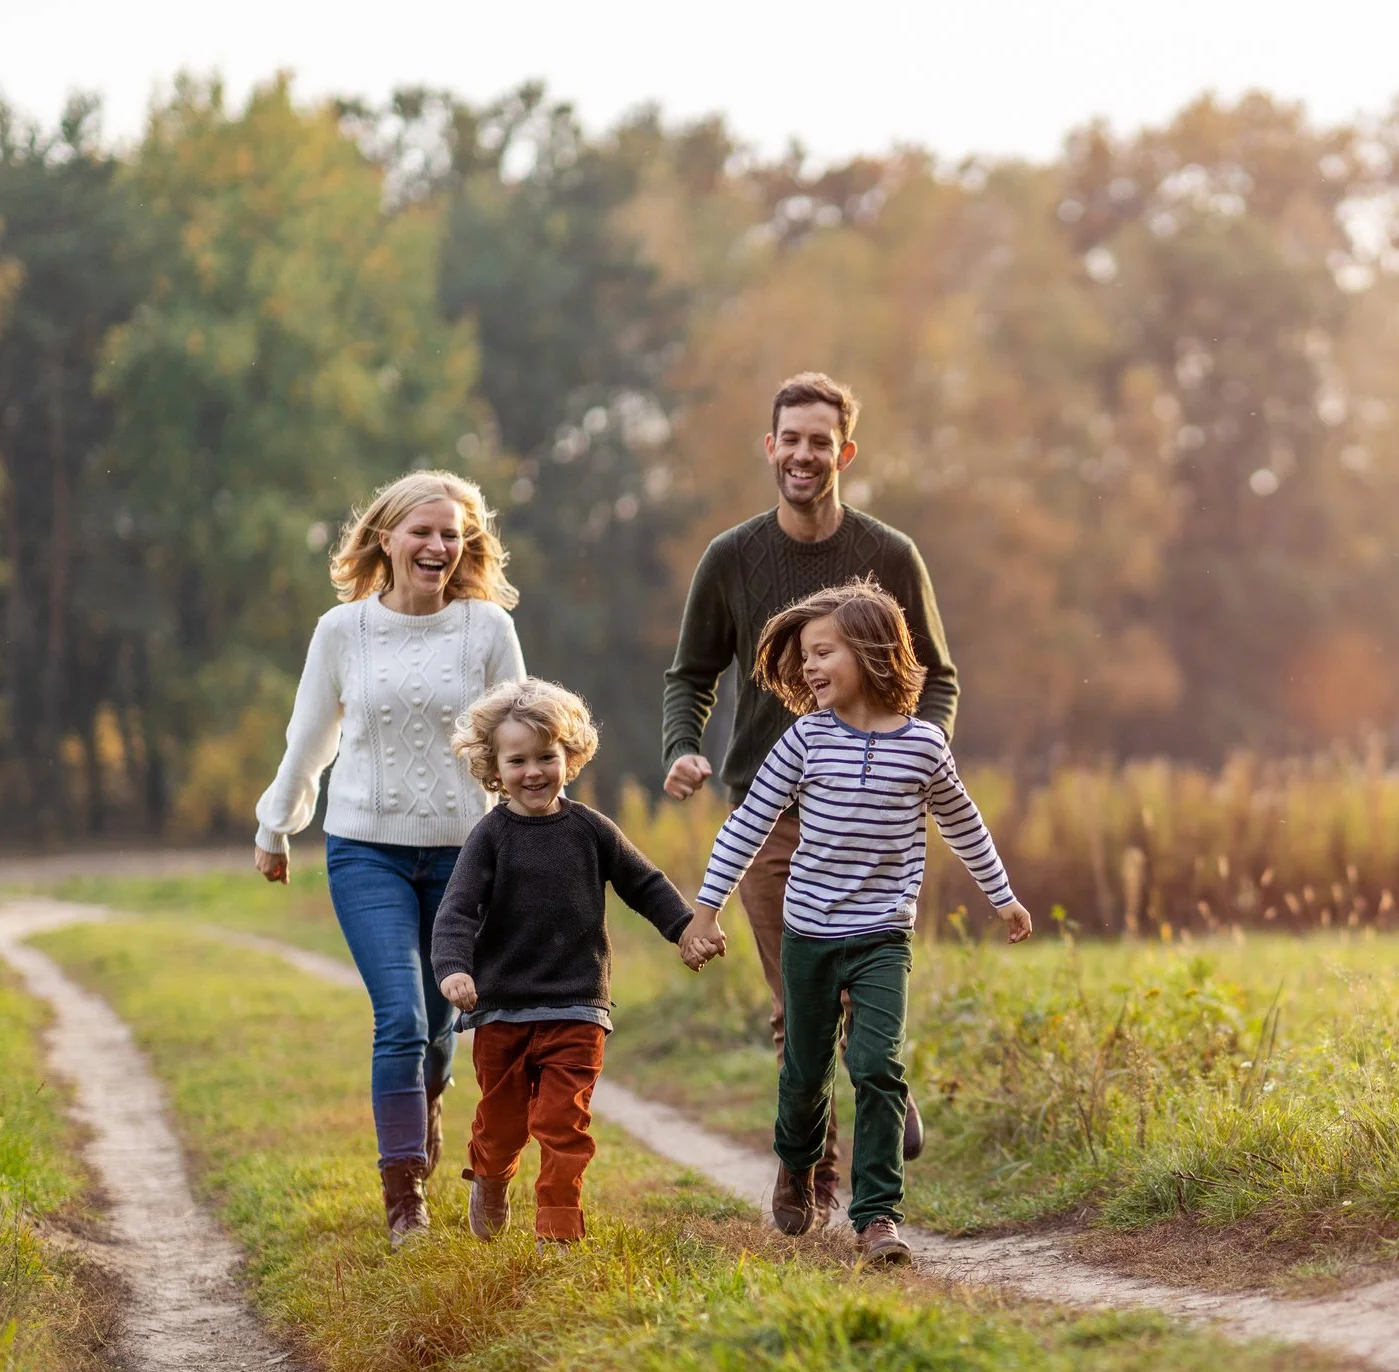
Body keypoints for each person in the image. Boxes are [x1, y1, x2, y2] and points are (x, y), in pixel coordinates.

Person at [660, 372, 955, 1212]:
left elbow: (937, 676)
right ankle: (809, 1173)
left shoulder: (890, 554)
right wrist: (684, 748)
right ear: (771, 446)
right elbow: (691, 673)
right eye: (790, 438)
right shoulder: (732, 557)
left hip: (873, 810)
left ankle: (879, 1081)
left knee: (866, 984)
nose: (803, 454)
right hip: (769, 810)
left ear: (844, 452)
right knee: (799, 1001)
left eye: (819, 441)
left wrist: (918, 763)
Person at [682, 580, 1029, 1266]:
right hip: (809, 932)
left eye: (821, 652)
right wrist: (706, 906)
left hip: (882, 937)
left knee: (877, 1065)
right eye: (804, 656)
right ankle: (800, 1165)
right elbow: (748, 824)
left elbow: (963, 821)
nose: (808, 668)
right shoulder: (804, 741)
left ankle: (878, 1218)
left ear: (870, 651)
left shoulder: (924, 746)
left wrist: (1004, 895)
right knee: (806, 1074)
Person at [255, 471, 526, 1245]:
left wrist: (533, 836)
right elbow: (310, 737)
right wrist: (277, 827)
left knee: (442, 1029)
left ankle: (427, 1101)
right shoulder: (342, 631)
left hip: (462, 858)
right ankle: (404, 1197)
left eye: (452, 535)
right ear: (386, 537)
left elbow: (520, 733)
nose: (438, 546)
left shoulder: (485, 630)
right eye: (423, 531)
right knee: (401, 1017)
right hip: (364, 848)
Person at [431, 679, 707, 1245]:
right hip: (502, 1008)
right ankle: (489, 1175)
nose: (533, 772)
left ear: (570, 756)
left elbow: (645, 884)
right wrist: (453, 969)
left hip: (578, 1004)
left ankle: (558, 1229)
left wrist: (684, 929)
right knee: (504, 1123)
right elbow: (456, 910)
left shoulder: (591, 830)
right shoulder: (490, 837)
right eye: (517, 761)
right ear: (493, 768)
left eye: (546, 757)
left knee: (563, 1123)